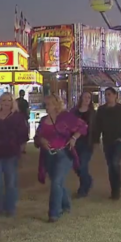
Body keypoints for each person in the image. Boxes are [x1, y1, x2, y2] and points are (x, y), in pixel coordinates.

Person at [34, 94, 87, 223]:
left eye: (49, 104)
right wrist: (41, 140)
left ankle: (53, 213)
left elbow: (83, 126)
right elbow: (37, 137)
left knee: (56, 182)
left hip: (63, 154)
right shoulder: (43, 120)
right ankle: (66, 204)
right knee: (58, 183)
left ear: (56, 104)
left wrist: (74, 138)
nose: (47, 107)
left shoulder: (65, 118)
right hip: (48, 155)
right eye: (45, 104)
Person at [0, 92, 29, 216]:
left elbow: (23, 134)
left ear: (12, 102)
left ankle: (10, 208)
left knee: (11, 182)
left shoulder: (18, 116)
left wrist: (20, 148)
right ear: (0, 102)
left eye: (8, 100)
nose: (6, 103)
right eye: (3, 100)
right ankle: (0, 206)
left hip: (11, 153)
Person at [93, 87, 121, 201]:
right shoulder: (102, 110)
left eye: (109, 94)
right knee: (110, 165)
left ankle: (117, 187)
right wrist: (96, 139)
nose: (107, 96)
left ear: (115, 95)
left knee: (115, 163)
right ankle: (114, 189)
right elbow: (97, 125)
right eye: (106, 94)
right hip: (107, 140)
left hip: (118, 140)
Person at [71, 91, 96, 198]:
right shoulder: (74, 111)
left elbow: (94, 127)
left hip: (87, 143)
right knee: (76, 165)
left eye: (89, 97)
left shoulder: (92, 113)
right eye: (85, 97)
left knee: (82, 165)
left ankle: (83, 188)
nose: (86, 99)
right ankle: (88, 180)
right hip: (74, 143)